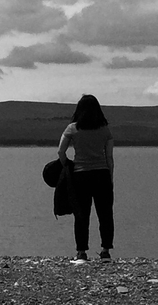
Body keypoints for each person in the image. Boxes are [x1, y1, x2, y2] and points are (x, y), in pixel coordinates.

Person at [57, 94, 113, 263]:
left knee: (81, 214)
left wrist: (67, 165)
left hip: (80, 174)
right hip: (102, 173)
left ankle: (81, 252)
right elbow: (109, 157)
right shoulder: (105, 129)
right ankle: (105, 251)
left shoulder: (72, 128)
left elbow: (60, 152)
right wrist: (110, 176)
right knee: (105, 214)